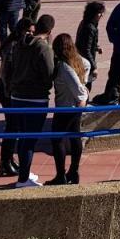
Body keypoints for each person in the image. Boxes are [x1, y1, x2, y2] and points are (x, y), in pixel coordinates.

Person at [8, 13, 56, 187]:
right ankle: (23, 179)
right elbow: (49, 73)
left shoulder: (19, 44)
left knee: (22, 137)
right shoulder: (43, 48)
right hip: (35, 98)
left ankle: (25, 173)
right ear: (50, 30)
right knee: (30, 140)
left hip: (16, 96)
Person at [0, 17, 33, 177]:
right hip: (6, 89)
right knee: (12, 126)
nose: (30, 34)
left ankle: (8, 159)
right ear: (20, 31)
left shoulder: (19, 44)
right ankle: (4, 162)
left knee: (13, 125)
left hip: (9, 89)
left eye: (32, 32)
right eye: (28, 31)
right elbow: (7, 73)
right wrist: (10, 92)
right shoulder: (13, 46)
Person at [49, 32, 88, 185]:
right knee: (75, 136)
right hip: (73, 108)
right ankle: (74, 171)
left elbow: (78, 88)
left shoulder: (65, 67)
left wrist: (83, 96)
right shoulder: (77, 60)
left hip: (66, 108)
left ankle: (61, 175)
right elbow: (88, 64)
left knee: (57, 139)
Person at [75, 1, 106, 91]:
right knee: (86, 87)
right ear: (93, 14)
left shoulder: (86, 23)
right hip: (85, 62)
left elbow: (85, 43)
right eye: (99, 13)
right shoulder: (90, 28)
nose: (101, 15)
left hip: (81, 59)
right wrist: (94, 67)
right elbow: (86, 50)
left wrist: (96, 47)